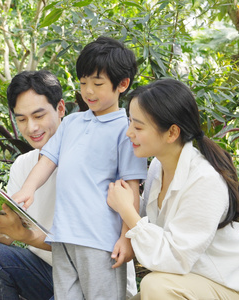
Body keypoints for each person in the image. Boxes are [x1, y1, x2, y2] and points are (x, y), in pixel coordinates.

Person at [0, 70, 139, 299]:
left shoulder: (91, 159)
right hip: (45, 273)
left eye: (38, 116)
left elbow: (89, 242)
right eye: (21, 119)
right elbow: (5, 236)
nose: (31, 128)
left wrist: (25, 235)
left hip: (95, 275)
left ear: (60, 109)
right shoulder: (23, 165)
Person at [12, 37, 148, 299]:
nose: (88, 91)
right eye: (83, 82)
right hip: (63, 237)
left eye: (97, 84)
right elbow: (48, 160)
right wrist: (27, 189)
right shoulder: (71, 123)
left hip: (101, 241)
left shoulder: (126, 130)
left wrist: (127, 238)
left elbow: (131, 188)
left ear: (122, 84)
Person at [107, 78, 239, 300]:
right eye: (130, 122)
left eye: (138, 126)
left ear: (172, 133)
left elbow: (175, 258)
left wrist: (126, 210)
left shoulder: (205, 181)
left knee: (155, 286)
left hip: (229, 290)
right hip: (189, 284)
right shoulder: (157, 167)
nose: (129, 133)